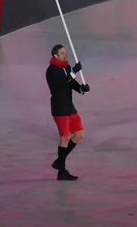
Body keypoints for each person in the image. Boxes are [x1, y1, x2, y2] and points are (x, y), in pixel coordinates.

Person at [46, 44, 90, 180]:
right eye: (62, 53)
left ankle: (59, 161)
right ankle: (62, 172)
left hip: (69, 106)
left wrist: (81, 89)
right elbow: (62, 83)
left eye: (65, 52)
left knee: (79, 134)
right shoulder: (52, 70)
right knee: (64, 138)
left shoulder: (67, 67)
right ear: (55, 56)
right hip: (59, 108)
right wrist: (73, 72)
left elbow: (71, 83)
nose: (65, 55)